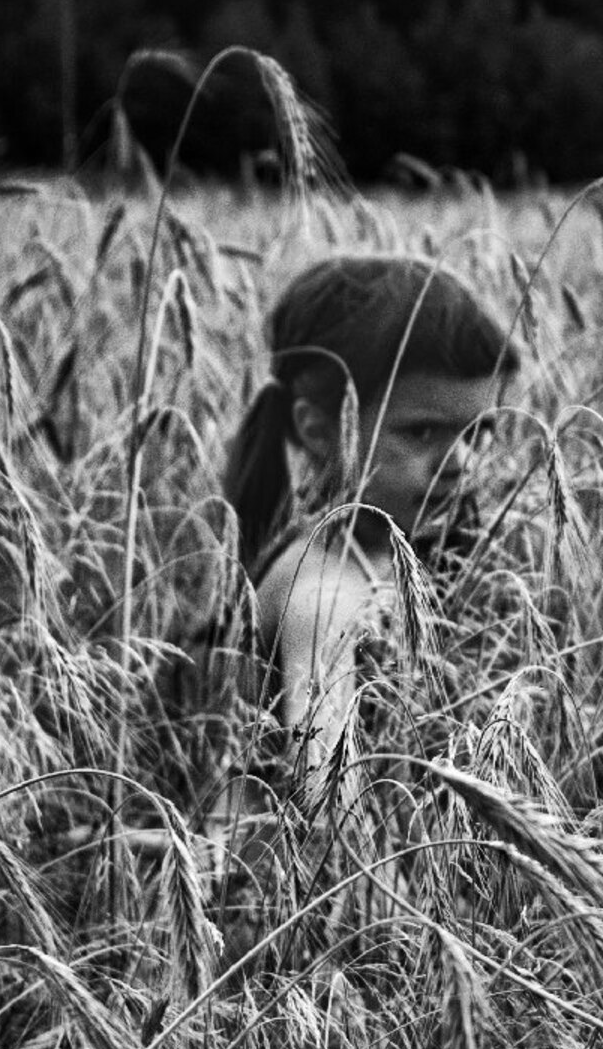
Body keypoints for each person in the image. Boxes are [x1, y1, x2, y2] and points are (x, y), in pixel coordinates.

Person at [222, 254, 518, 805]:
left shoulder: (379, 550)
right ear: (319, 429)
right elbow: (330, 809)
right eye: (423, 430)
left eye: (479, 433)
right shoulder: (323, 598)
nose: (460, 463)